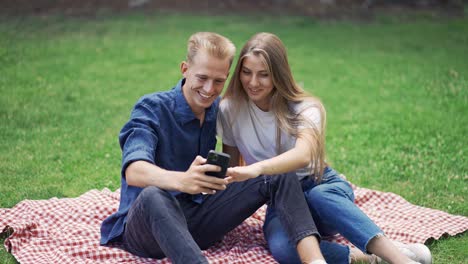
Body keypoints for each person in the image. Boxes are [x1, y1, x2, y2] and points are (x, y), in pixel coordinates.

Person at [100, 32, 329, 264]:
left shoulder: (218, 110)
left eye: (219, 81)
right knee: (153, 195)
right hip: (147, 230)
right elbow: (134, 171)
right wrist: (182, 180)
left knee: (275, 173)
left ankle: (314, 260)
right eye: (202, 77)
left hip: (196, 221)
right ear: (184, 69)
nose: (209, 89)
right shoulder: (151, 109)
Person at [217, 32, 433, 264]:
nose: (252, 82)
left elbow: (303, 155)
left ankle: (402, 260)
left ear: (278, 75)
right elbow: (231, 165)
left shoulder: (305, 107)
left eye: (264, 75)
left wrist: (257, 169)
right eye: (246, 72)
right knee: (283, 249)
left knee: (321, 197)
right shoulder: (230, 109)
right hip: (280, 199)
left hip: (320, 185)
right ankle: (372, 257)